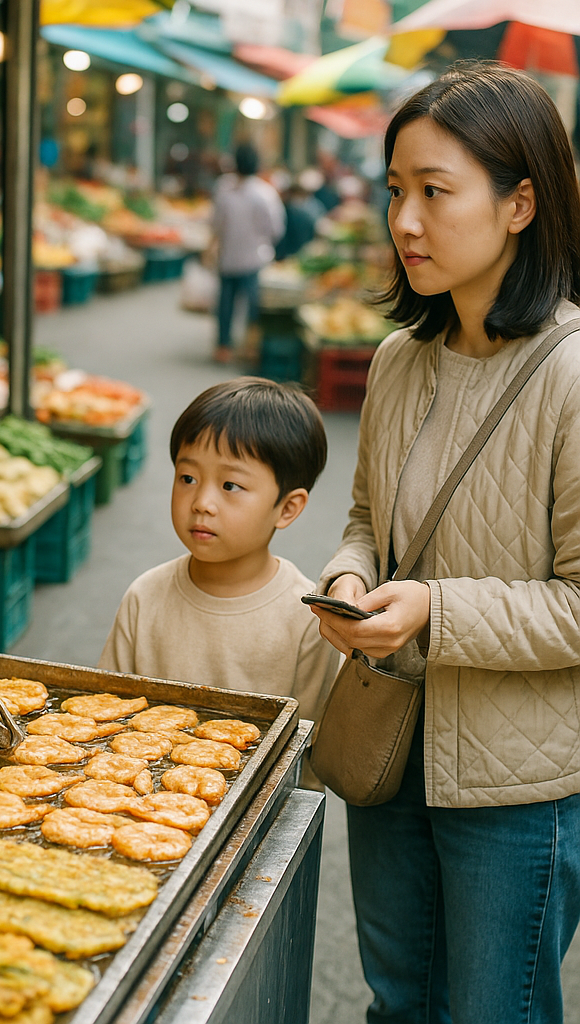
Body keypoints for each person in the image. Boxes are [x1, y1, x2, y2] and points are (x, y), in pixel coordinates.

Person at [309, 62, 580, 1023]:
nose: (405, 222)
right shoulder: (398, 360)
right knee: (397, 1003)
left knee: (492, 1012)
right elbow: (367, 524)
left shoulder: (572, 374)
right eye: (395, 192)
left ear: (519, 204)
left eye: (434, 192)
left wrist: (435, 610)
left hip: (517, 785)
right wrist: (349, 578)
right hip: (390, 746)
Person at [99, 378, 340, 787]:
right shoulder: (146, 596)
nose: (202, 502)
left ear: (287, 507)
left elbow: (307, 758)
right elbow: (105, 713)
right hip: (140, 803)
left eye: (230, 486)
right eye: (187, 478)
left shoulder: (308, 620)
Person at [211, 143, 285, 365]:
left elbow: (216, 224)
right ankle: (251, 349)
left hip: (228, 258)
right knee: (254, 307)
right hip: (255, 259)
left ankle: (223, 347)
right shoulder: (265, 193)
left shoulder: (224, 190)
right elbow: (276, 229)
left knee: (225, 305)